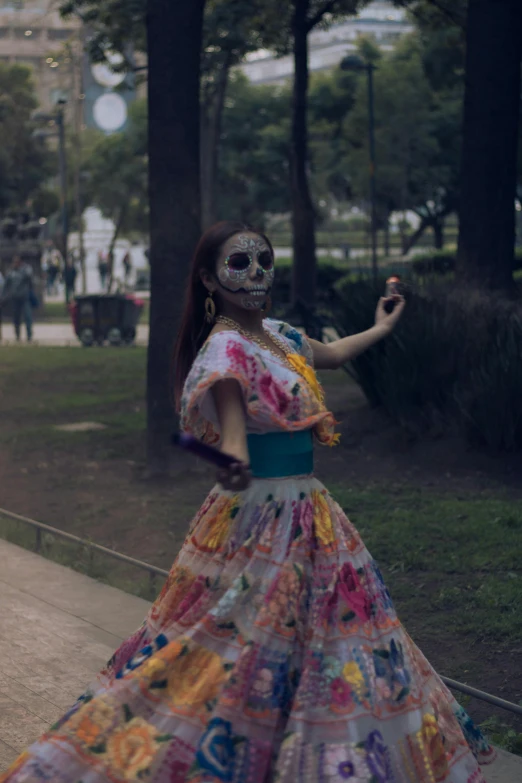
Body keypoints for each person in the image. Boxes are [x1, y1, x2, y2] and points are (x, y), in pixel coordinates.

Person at [0, 221, 496, 783]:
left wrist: (383, 325)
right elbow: (233, 444)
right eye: (240, 264)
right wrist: (227, 463)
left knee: (325, 636)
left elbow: (330, 353)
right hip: (267, 520)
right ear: (210, 280)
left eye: (264, 259)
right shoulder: (226, 352)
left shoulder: (279, 335)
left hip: (311, 510)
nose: (257, 272)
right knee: (245, 643)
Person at [0, 254, 34, 342]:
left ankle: (29, 335)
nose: (15, 263)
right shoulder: (11, 272)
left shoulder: (25, 270)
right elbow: (6, 285)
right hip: (15, 298)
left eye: (17, 262)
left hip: (24, 298)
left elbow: (30, 277)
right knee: (16, 318)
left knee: (28, 316)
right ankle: (17, 335)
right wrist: (3, 297)